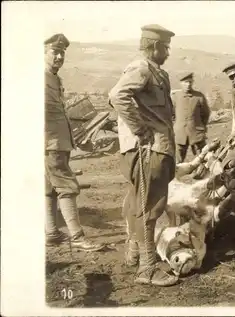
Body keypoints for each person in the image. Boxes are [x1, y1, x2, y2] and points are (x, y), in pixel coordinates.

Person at [108, 24, 178, 287]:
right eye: (166, 47)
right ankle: (148, 269)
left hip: (154, 148)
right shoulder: (141, 68)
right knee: (150, 207)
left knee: (139, 204)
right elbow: (117, 96)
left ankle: (135, 253)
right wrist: (139, 129)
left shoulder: (155, 72)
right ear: (156, 46)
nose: (168, 53)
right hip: (149, 150)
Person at [44, 33, 106, 252]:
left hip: (58, 142)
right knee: (67, 187)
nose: (59, 57)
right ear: (43, 53)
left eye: (62, 53)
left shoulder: (55, 78)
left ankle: (52, 233)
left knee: (50, 188)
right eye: (55, 52)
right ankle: (78, 237)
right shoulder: (39, 78)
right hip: (50, 143)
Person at [172, 72, 211, 163]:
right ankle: (177, 176)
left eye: (190, 82)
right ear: (181, 83)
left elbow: (205, 113)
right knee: (177, 160)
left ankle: (203, 174)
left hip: (196, 133)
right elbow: (172, 114)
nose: (188, 84)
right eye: (185, 82)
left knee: (203, 157)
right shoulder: (175, 97)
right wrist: (176, 126)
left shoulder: (199, 96)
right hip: (180, 133)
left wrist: (201, 126)